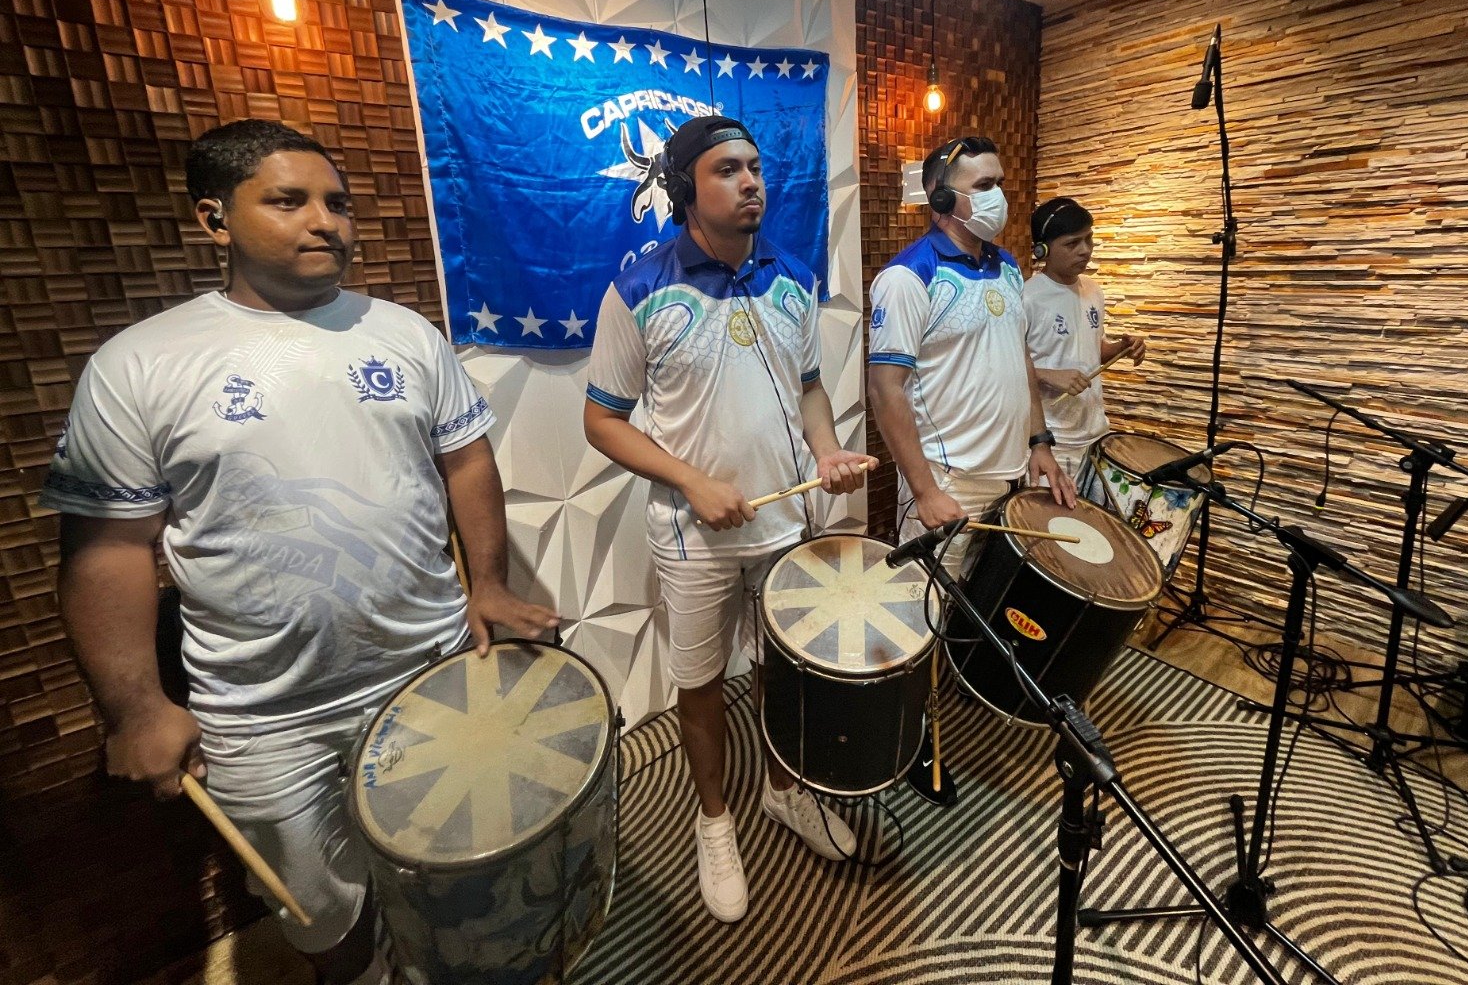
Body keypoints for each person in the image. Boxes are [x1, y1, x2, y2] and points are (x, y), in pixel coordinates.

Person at [41, 120, 559, 985]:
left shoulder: (405, 334)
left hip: (428, 667)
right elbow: (108, 550)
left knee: (454, 860)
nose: (326, 222)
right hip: (264, 713)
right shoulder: (139, 365)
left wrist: (490, 584)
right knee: (318, 908)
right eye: (289, 201)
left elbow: (466, 461)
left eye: (337, 203)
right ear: (214, 219)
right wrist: (136, 709)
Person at [583, 114, 874, 923]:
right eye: (727, 170)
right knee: (702, 681)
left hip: (785, 525)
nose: (751, 182)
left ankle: (784, 790)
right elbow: (601, 421)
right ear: (685, 188)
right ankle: (714, 821)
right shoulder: (639, 288)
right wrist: (692, 482)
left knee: (784, 668)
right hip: (693, 537)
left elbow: (809, 388)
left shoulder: (794, 277)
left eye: (755, 167)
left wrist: (826, 451)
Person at [866, 134, 1073, 806]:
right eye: (983, 185)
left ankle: (962, 690)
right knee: (917, 617)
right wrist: (923, 490)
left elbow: (1020, 361)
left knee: (980, 601)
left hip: (1011, 473)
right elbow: (886, 391)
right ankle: (908, 736)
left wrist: (1040, 441)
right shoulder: (908, 279)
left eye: (999, 182)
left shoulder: (1008, 268)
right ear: (941, 198)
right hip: (946, 484)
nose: (999, 196)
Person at [1023, 196, 1147, 483]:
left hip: (1096, 432)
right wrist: (1047, 375)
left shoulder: (1093, 291)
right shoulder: (1027, 298)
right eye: (1072, 243)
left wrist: (1121, 348)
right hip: (1052, 439)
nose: (1085, 250)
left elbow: (1091, 349)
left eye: (1088, 239)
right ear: (1043, 250)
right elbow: (1004, 368)